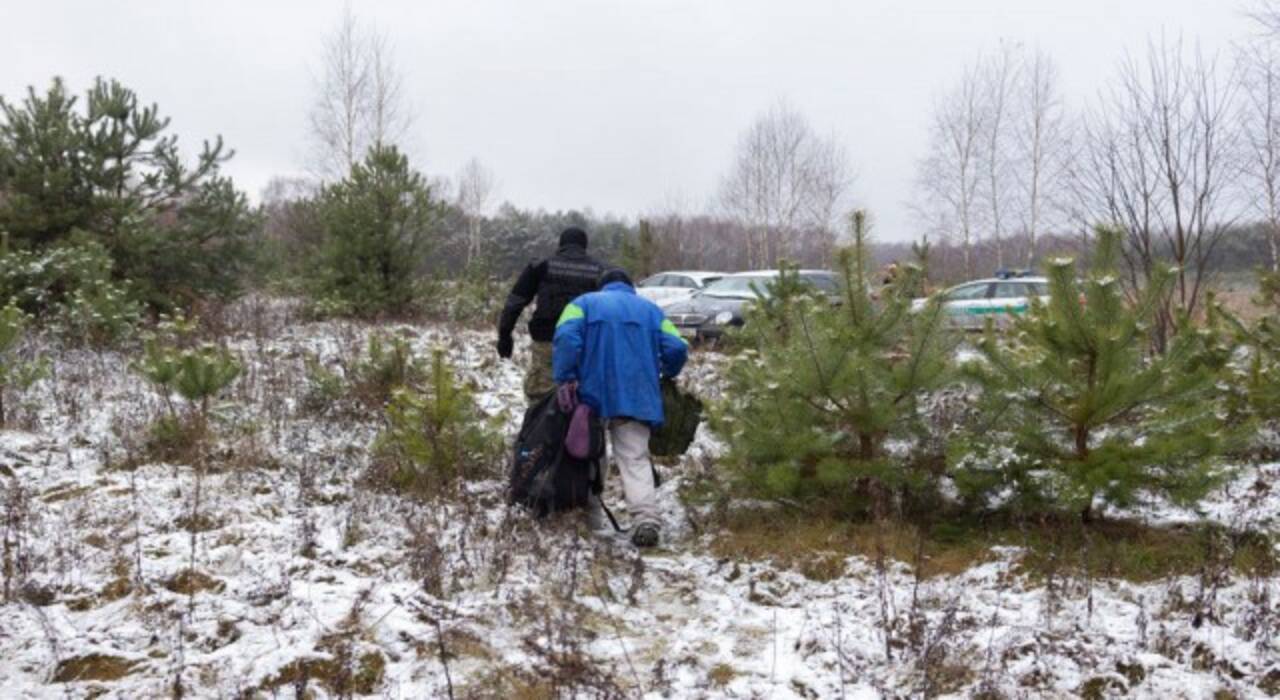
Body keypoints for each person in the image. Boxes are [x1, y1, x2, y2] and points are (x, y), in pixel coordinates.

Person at [551, 269, 689, 548]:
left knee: (589, 457)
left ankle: (589, 519)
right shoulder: (652, 311)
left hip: (591, 397)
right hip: (637, 397)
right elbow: (676, 346)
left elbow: (566, 337)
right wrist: (666, 373)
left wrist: (565, 377)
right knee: (635, 458)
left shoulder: (581, 304)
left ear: (602, 287)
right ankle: (646, 519)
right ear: (630, 287)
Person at [497, 227, 607, 401]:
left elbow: (515, 301)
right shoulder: (600, 270)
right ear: (584, 246)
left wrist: (504, 334)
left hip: (547, 342)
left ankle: (541, 425)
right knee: (584, 397)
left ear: (561, 244)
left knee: (541, 399)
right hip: (585, 345)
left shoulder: (541, 265)